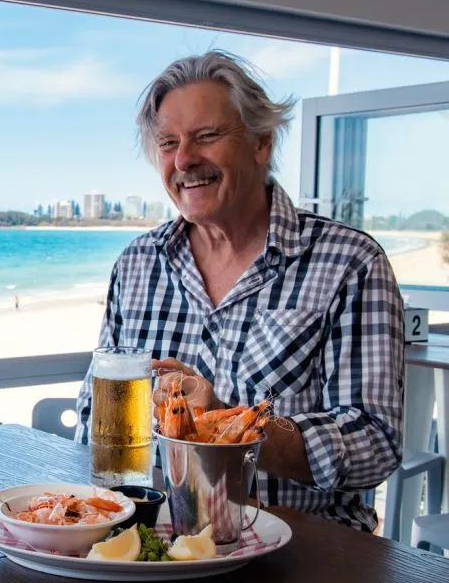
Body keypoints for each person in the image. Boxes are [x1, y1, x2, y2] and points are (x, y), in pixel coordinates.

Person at [76, 51, 404, 532]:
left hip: (303, 559)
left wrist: (230, 426)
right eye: (169, 143)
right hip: (154, 548)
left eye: (206, 136)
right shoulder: (137, 264)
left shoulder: (350, 262)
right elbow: (93, 418)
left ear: (262, 143)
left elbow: (376, 445)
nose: (184, 159)